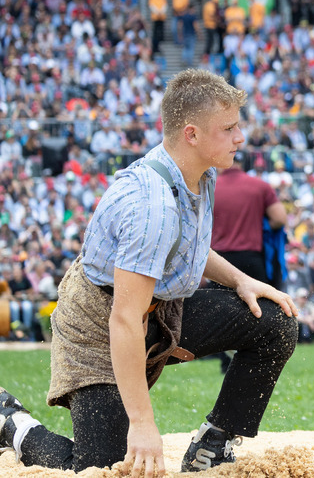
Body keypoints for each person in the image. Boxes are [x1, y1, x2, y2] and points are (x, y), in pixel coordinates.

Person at [0, 68, 298, 476]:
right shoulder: (151, 208)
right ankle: (13, 424)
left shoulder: (198, 171)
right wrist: (142, 423)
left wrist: (242, 280)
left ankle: (213, 445)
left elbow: (184, 246)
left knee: (275, 321)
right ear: (191, 134)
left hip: (157, 309)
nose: (240, 137)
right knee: (104, 470)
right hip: (99, 324)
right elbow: (124, 318)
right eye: (229, 128)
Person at [211, 155, 288, 285]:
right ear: (241, 165)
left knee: (217, 297)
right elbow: (280, 219)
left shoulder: (211, 187)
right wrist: (261, 227)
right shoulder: (260, 186)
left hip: (219, 262)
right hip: (251, 259)